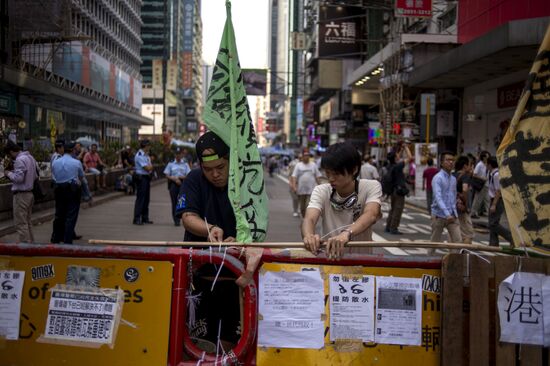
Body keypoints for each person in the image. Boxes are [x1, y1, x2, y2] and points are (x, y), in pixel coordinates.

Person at [302, 143, 382, 260]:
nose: (330, 179)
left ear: (354, 170)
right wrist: (309, 236)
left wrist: (346, 234)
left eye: (336, 174)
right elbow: (309, 218)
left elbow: (371, 214)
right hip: (329, 259)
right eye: (328, 173)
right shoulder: (321, 190)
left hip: (361, 261)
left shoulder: (371, 186)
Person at [177, 131, 236, 242]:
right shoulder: (193, 178)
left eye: (220, 167)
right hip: (198, 254)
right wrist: (210, 229)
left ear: (230, 161)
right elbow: (188, 216)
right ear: (201, 166)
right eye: (207, 169)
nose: (215, 174)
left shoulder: (244, 181)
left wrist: (241, 240)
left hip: (236, 253)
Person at [51, 142, 85, 244]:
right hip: (72, 189)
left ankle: (56, 238)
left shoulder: (55, 162)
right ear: (73, 150)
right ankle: (67, 240)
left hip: (59, 189)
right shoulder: (76, 162)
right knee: (71, 215)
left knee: (59, 214)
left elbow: (54, 175)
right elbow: (81, 176)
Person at [4, 141, 38, 243]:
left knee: (21, 223)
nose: (10, 157)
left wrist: (8, 173)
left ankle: (25, 247)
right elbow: (36, 175)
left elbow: (19, 178)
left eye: (9, 155)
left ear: (11, 152)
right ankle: (32, 244)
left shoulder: (19, 160)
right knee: (27, 222)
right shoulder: (30, 158)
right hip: (30, 193)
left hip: (21, 195)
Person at [430, 151, 462, 244]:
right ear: (442, 163)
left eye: (452, 160)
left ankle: (453, 259)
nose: (451, 162)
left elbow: (453, 195)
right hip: (439, 215)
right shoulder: (438, 178)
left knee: (458, 242)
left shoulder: (453, 179)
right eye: (448, 160)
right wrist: (446, 213)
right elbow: (438, 197)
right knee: (434, 243)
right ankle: (429, 258)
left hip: (452, 215)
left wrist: (457, 204)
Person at [385, 143, 412, 235]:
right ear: (395, 158)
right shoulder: (398, 166)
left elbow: (396, 157)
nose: (398, 156)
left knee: (392, 209)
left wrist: (400, 150)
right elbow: (410, 157)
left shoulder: (390, 166)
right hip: (399, 191)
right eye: (397, 155)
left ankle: (388, 226)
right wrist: (406, 147)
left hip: (392, 190)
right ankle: (394, 228)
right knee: (398, 210)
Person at [487, 156, 513, 246]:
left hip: (497, 200)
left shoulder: (497, 174)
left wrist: (494, 204)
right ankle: (493, 243)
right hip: (494, 199)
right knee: (492, 223)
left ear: (489, 165)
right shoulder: (493, 173)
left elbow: (498, 191)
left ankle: (511, 238)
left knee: (493, 223)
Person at [164, 147, 191, 226]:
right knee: (174, 202)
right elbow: (167, 174)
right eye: (177, 154)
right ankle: (176, 220)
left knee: (182, 202)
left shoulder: (185, 163)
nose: (178, 156)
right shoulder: (171, 163)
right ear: (175, 155)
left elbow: (188, 174)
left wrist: (180, 178)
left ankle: (182, 218)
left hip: (182, 184)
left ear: (182, 154)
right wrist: (175, 179)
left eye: (179, 154)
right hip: (173, 184)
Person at [290, 150, 322, 217]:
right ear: (302, 156)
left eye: (308, 155)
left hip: (311, 189)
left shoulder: (313, 165)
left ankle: (308, 219)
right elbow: (294, 176)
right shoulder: (298, 165)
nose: (306, 157)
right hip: (301, 190)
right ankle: (304, 218)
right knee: (302, 207)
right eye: (305, 155)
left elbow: (317, 176)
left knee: (308, 205)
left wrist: (320, 186)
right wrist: (294, 186)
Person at [133, 140, 154, 225]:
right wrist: (151, 166)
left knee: (146, 199)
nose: (149, 147)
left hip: (146, 178)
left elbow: (149, 167)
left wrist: (150, 166)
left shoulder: (146, 156)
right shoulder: (140, 155)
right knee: (141, 199)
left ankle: (145, 217)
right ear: (145, 146)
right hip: (141, 178)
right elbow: (148, 168)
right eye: (148, 145)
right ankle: (137, 218)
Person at [454, 156, 474, 244]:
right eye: (470, 165)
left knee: (455, 232)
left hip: (452, 207)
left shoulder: (452, 175)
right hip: (461, 207)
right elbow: (465, 189)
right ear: (465, 166)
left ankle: (454, 253)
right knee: (468, 233)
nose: (472, 167)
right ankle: (464, 255)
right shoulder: (465, 176)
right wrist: (465, 204)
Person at [471, 151, 490, 218]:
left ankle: (488, 212)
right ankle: (473, 213)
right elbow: (474, 175)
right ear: (483, 157)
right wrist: (482, 178)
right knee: (477, 199)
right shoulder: (479, 165)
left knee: (487, 199)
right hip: (481, 184)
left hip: (486, 185)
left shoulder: (486, 164)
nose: (488, 158)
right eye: (486, 156)